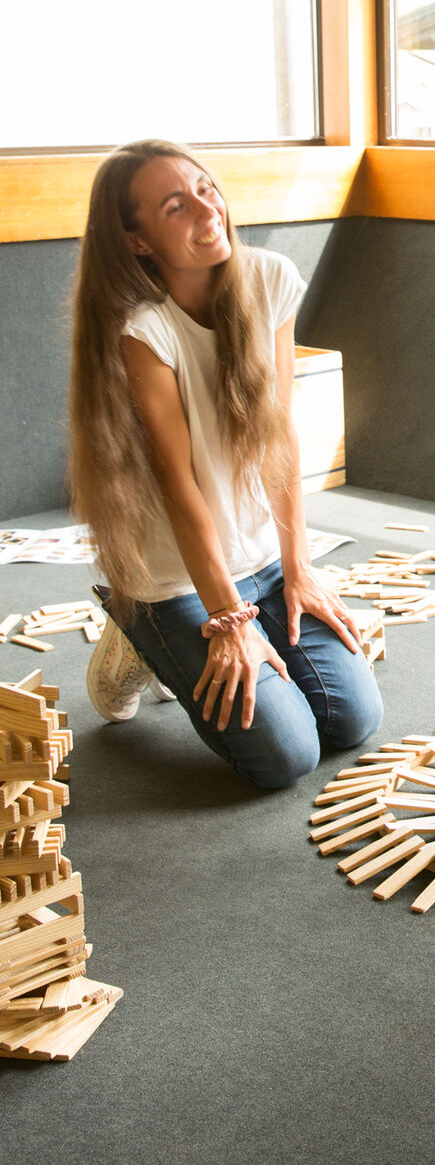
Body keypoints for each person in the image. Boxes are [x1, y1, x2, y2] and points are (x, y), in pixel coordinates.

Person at [68, 139, 383, 789]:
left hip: (262, 558)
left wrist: (299, 568)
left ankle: (194, 638)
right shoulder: (142, 330)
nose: (206, 208)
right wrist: (230, 620)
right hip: (178, 579)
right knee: (285, 756)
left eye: (205, 188)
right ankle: (140, 634)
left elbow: (280, 434)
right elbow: (178, 485)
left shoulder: (269, 279)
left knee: (352, 719)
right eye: (175, 206)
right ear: (137, 240)